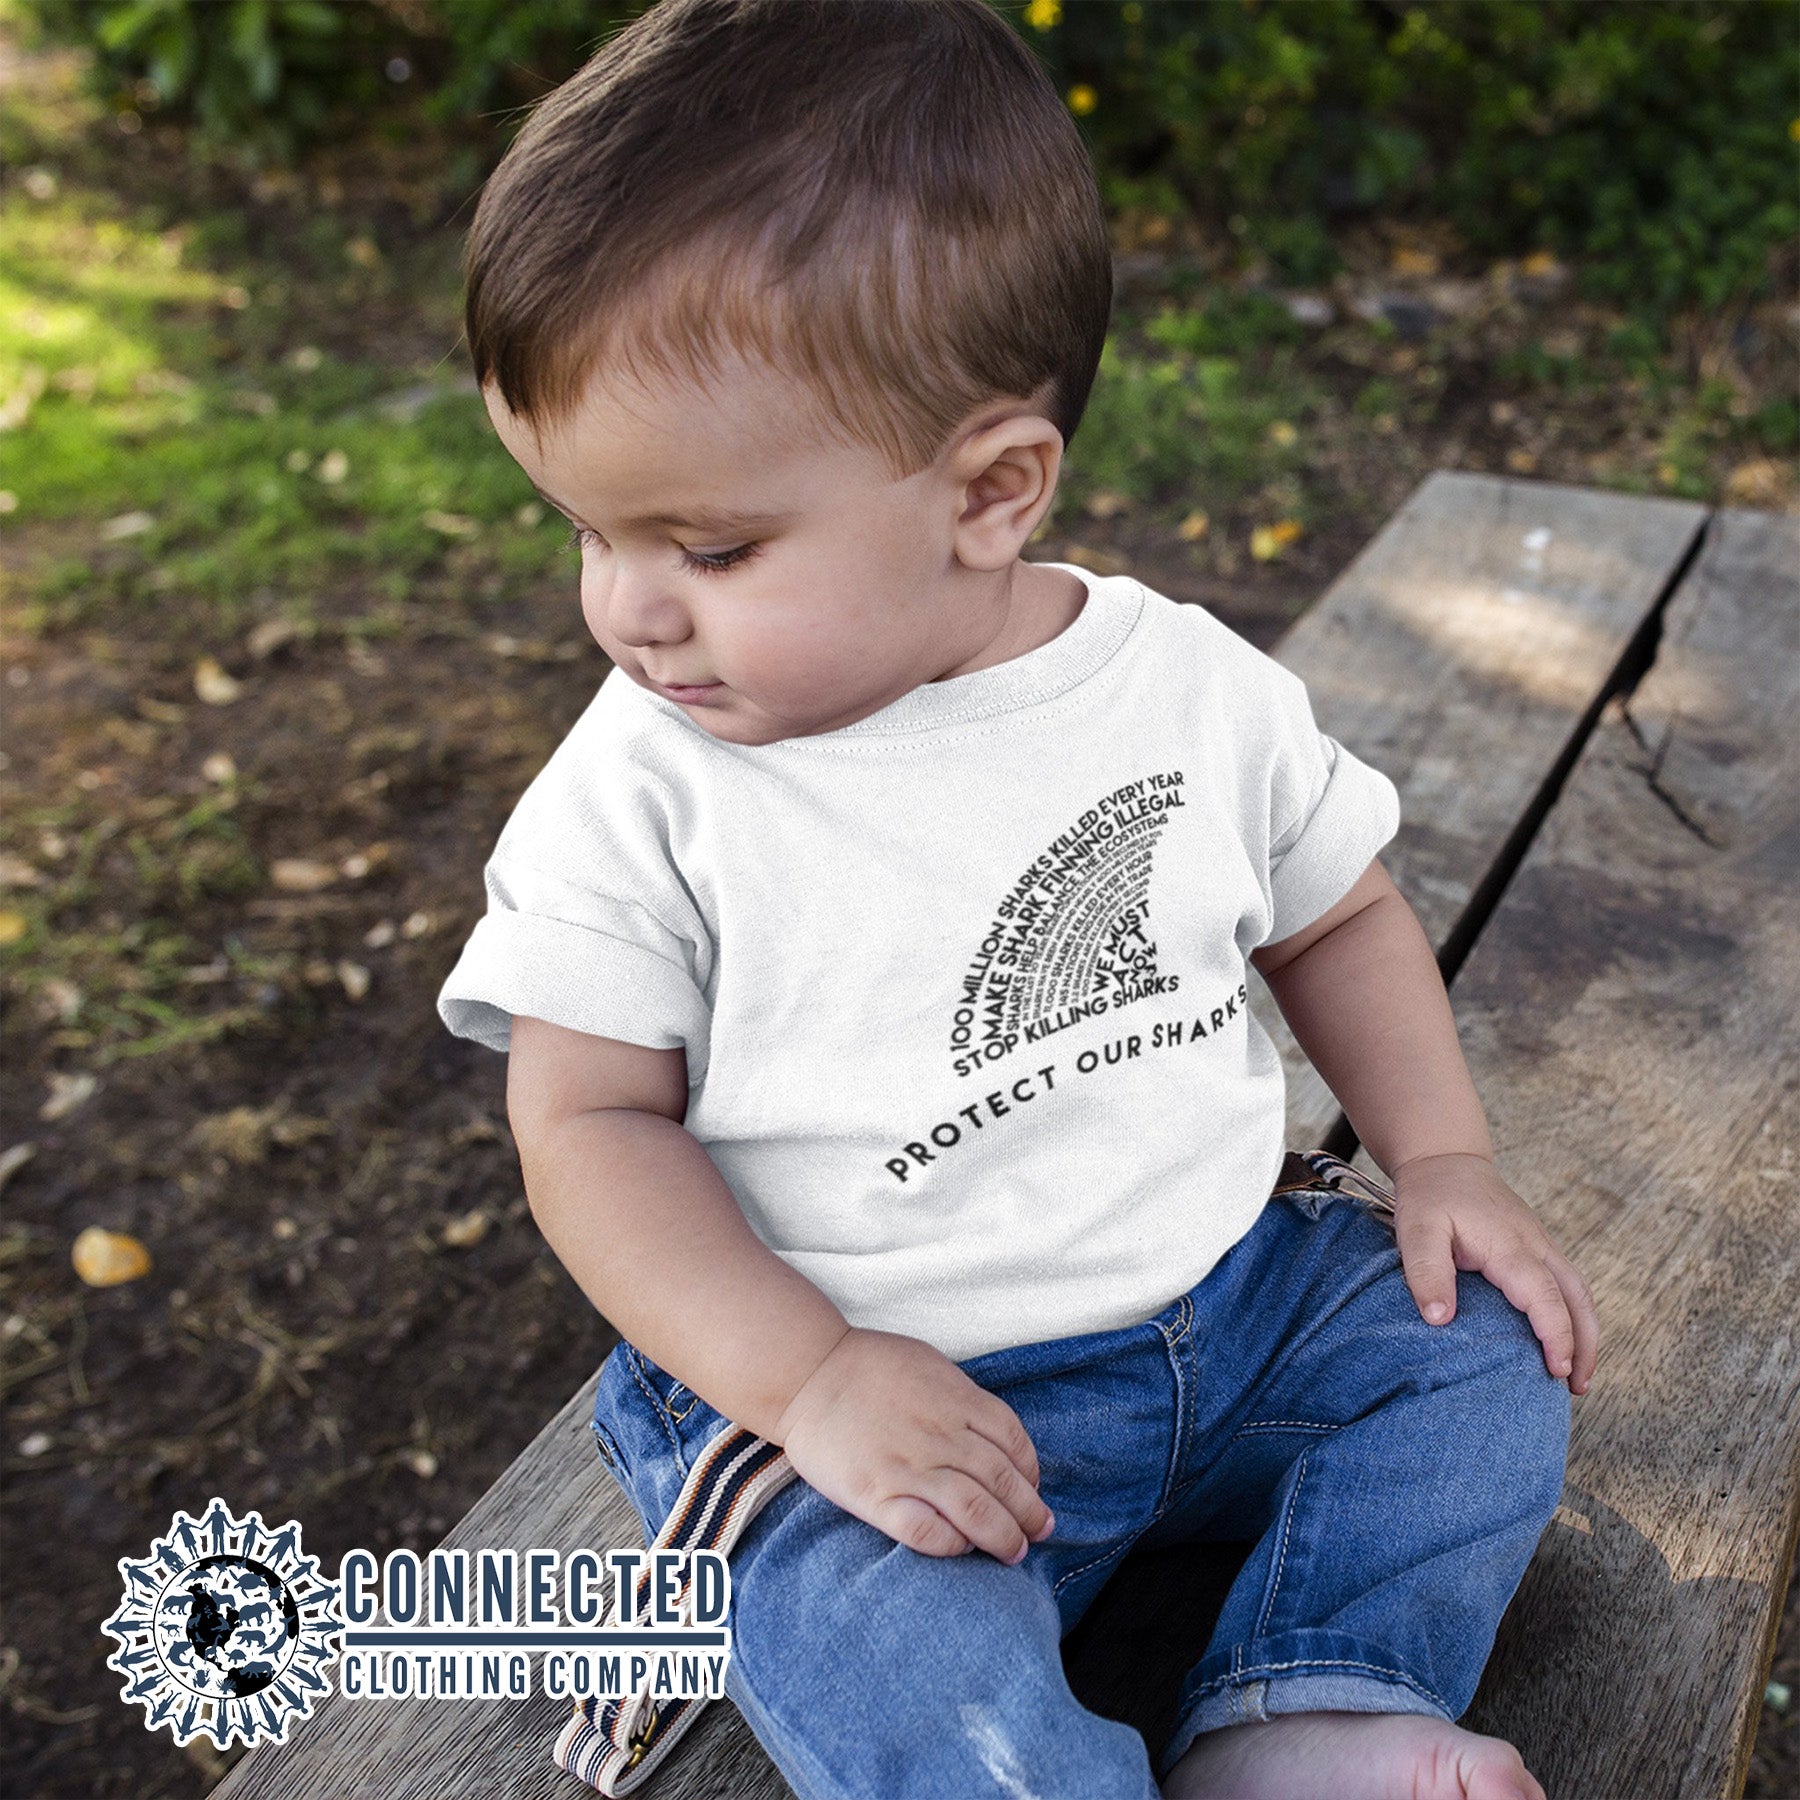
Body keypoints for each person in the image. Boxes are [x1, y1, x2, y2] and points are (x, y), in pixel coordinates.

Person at [437, 2, 1598, 1794]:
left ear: (992, 489)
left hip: (1232, 1303)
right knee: (887, 1649)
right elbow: (583, 1121)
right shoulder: (644, 789)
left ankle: (1316, 1706)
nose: (626, 610)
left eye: (711, 549)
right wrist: (810, 1379)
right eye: (589, 533)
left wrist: (1442, 1163)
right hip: (863, 1396)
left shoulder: (1180, 686)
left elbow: (1338, 915)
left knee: (1486, 1363)